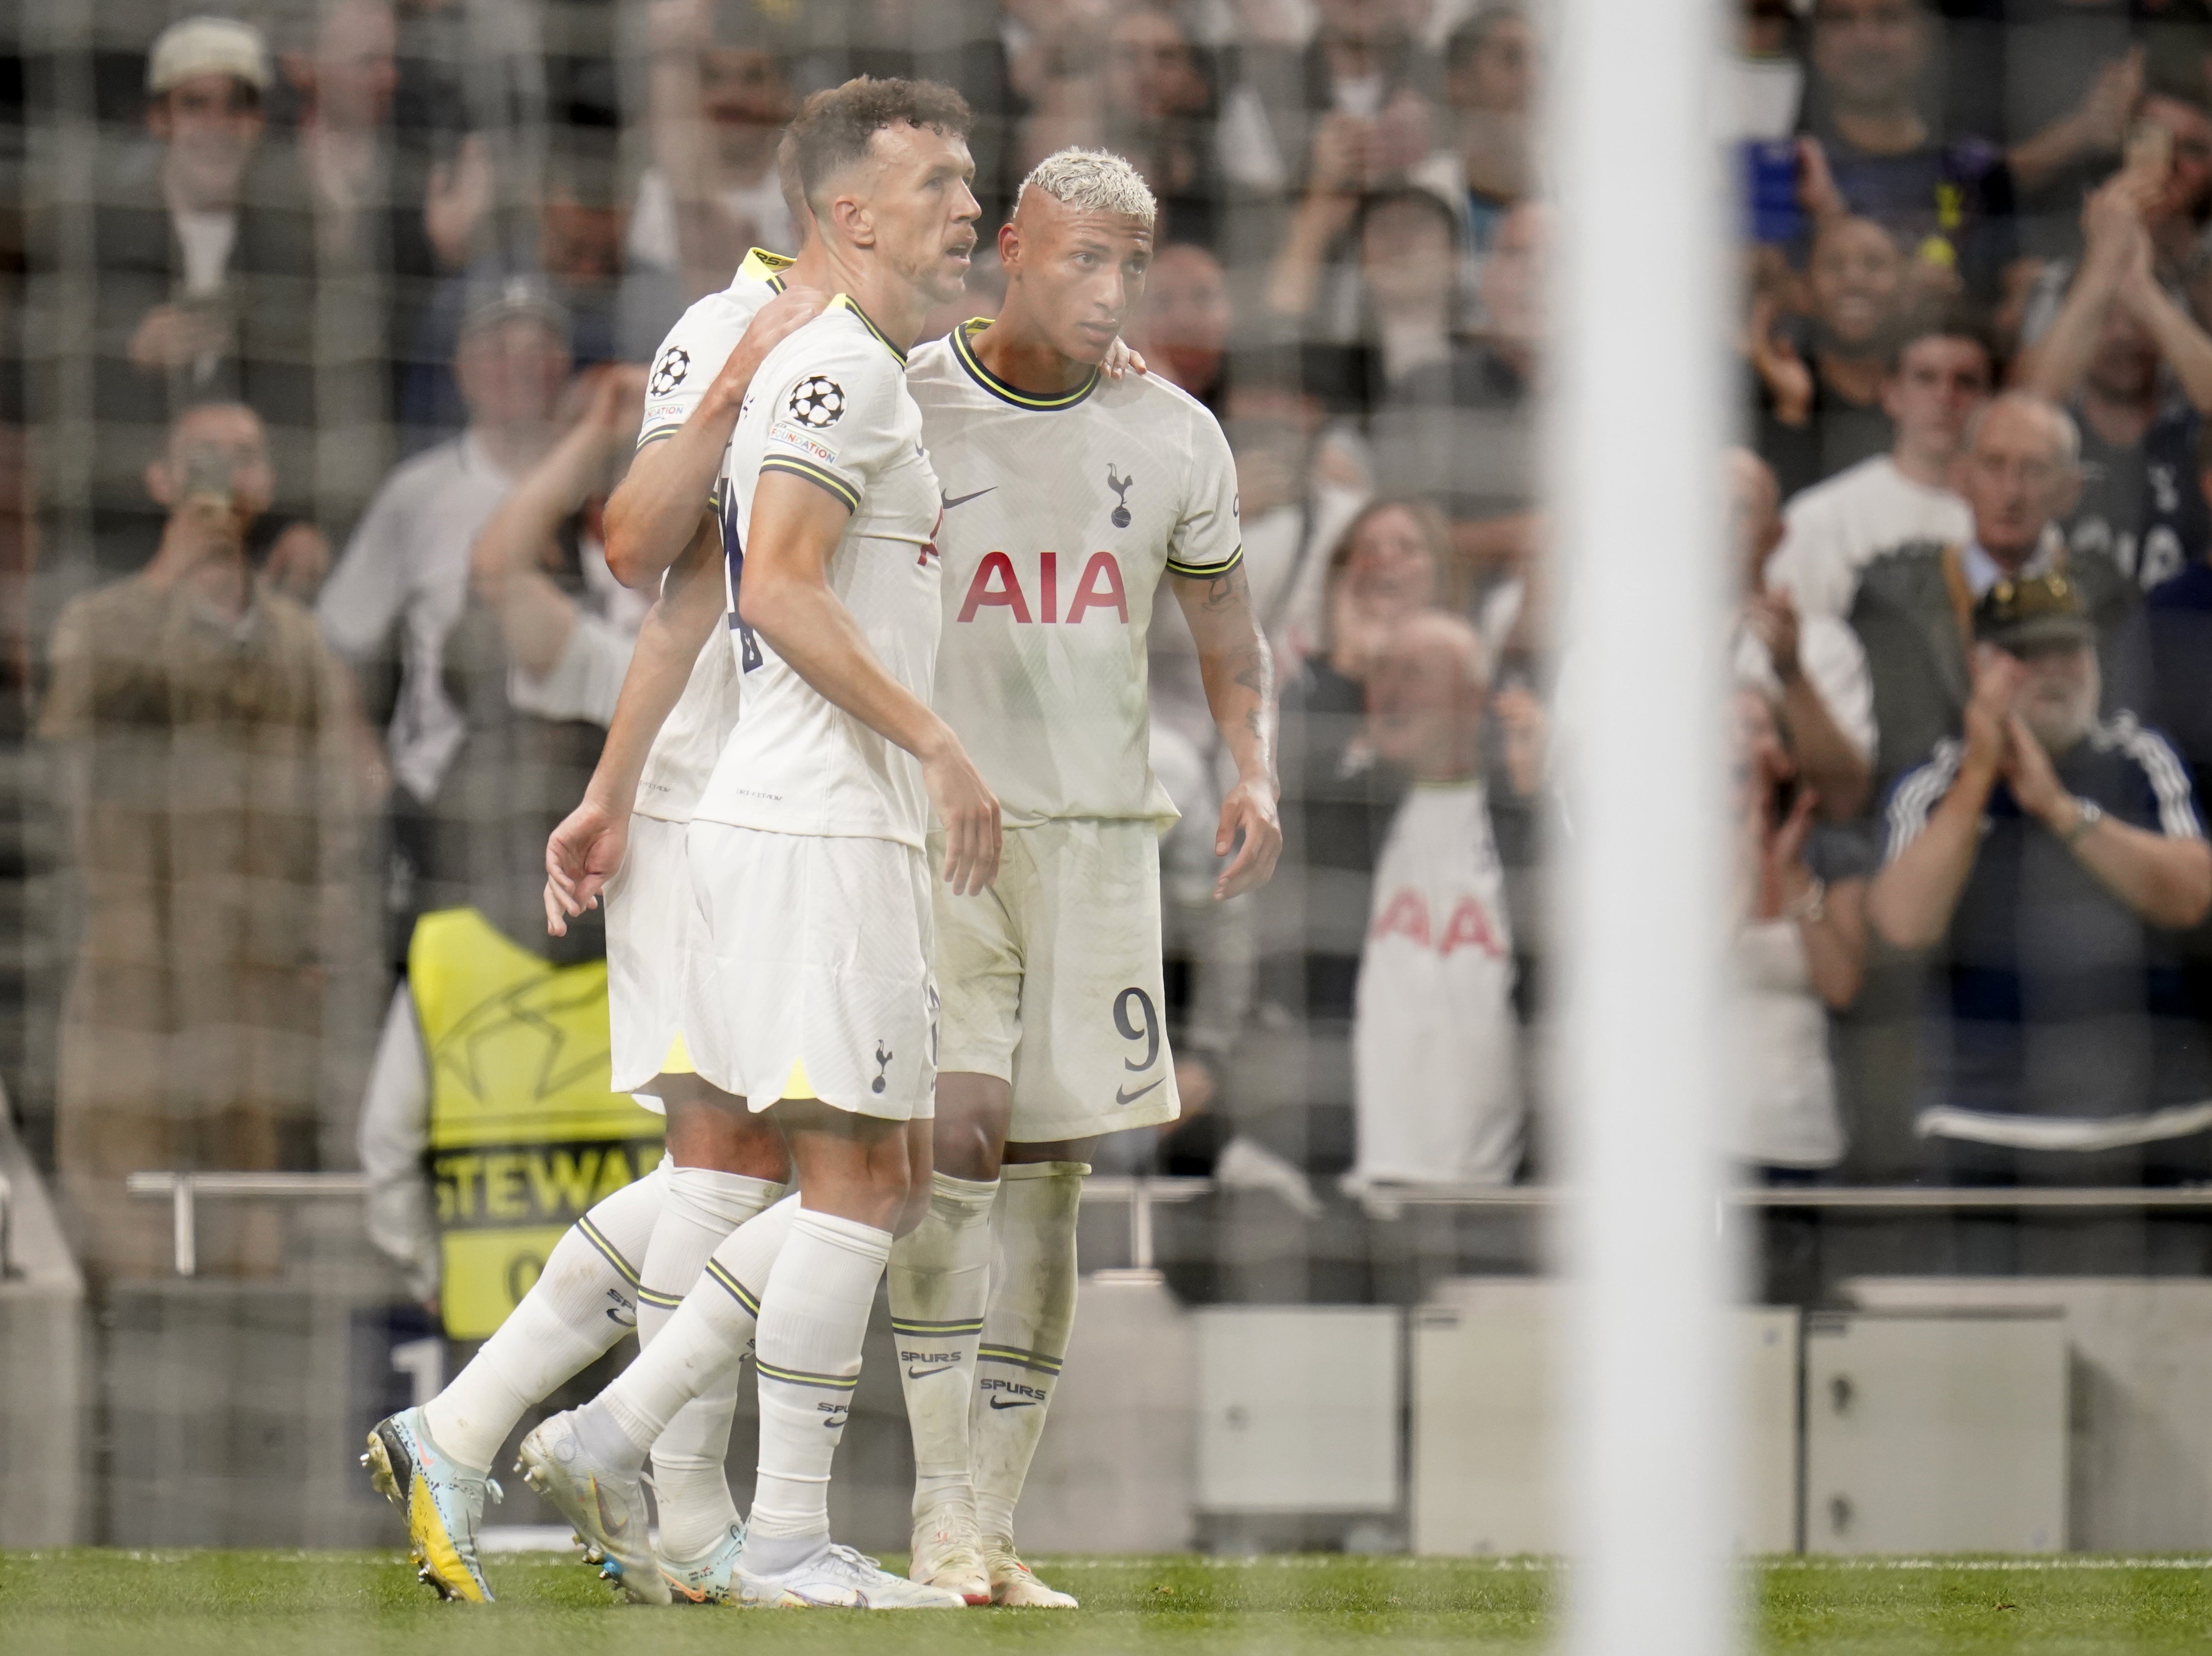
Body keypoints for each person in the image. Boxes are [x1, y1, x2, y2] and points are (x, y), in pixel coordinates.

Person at [518, 76, 994, 1613]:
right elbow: (671, 570)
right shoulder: (787, 352)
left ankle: (613, 1461)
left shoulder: (871, 355)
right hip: (779, 809)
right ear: (847, 212)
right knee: (808, 1176)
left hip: (761, 803)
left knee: (851, 1173)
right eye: (938, 187)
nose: (968, 211)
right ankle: (703, 1496)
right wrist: (935, 745)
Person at [361, 262, 829, 1601]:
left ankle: (622, 1479)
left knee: (739, 1171)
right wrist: (599, 423)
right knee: (778, 1165)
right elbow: (513, 560)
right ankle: (534, 1443)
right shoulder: (611, 622)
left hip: (772, 825)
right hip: (693, 835)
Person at [890, 147, 1279, 1607]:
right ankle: (933, 1512)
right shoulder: (906, 399)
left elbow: (1229, 634)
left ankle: (989, 1526)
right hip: (950, 832)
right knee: (962, 1139)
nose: (1112, 294)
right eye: (1083, 261)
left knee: (1052, 1181)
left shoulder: (1176, 436)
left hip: (1106, 850)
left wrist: (1256, 767)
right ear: (1011, 247)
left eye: (1133, 265)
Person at [40, 402, 359, 1285]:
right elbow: (63, 765)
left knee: (252, 1242)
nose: (224, 473)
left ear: (269, 483)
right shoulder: (98, 624)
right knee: (130, 1236)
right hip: (129, 988)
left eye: (246, 454)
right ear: (159, 480)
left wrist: (318, 947)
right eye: (204, 455)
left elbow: (336, 813)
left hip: (259, 1000)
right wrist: (171, 579)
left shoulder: (299, 644)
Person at [1869, 577, 2212, 1265]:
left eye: (2069, 648)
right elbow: (1902, 924)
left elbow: (2194, 894)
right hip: (1986, 1142)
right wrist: (1980, 775)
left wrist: (2058, 808)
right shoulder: (1932, 783)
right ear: (1980, 668)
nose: (2052, 668)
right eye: (2025, 652)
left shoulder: (2141, 758)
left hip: (2156, 1139)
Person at [317, 277, 571, 952]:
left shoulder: (614, 481)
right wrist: (378, 786)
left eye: (536, 345)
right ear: (461, 367)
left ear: (564, 361)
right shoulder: (418, 493)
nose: (517, 363)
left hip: (587, 803)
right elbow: (333, 645)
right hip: (444, 813)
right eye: (496, 346)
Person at [92, 15, 318, 577]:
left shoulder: (295, 241)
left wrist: (307, 523)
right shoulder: (94, 234)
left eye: (237, 106)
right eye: (196, 104)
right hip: (122, 541)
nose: (218, 126)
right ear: (160, 119)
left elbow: (311, 402)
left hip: (258, 543)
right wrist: (128, 357)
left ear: (259, 122)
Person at [1849, 392, 2134, 789]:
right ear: (1960, 477)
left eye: (2034, 470)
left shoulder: (2103, 598)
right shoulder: (1894, 598)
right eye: (1992, 465)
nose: (2010, 493)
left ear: (2072, 490)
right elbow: (1899, 751)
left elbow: (2119, 733)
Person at [1345, 611, 1520, 1192]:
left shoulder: (1525, 830)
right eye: (1381, 672)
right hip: (1365, 1189)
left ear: (1474, 698)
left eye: (1414, 673)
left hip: (1494, 1196)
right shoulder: (1342, 828)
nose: (1389, 690)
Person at [2016, 171, 2212, 595]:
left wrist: (2140, 289)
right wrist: (2102, 268)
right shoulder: (2049, 439)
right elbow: (2021, 410)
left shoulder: (2191, 434)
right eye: (2106, 318)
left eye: (2138, 321)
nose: (2123, 337)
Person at [1767, 316, 1991, 623]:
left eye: (1966, 382)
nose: (1945, 397)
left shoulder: (2019, 523)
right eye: (1925, 378)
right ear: (1891, 394)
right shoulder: (1822, 518)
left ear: (1988, 401)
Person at [1732, 448, 1875, 821]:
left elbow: (1844, 800)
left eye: (1739, 510)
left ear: (1775, 537)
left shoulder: (1823, 645)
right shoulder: (1621, 638)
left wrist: (1791, 672)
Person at [1748, 214, 1910, 498]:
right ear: (1805, 288)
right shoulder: (1767, 393)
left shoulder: (1936, 387)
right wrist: (1791, 411)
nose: (1854, 280)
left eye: (1874, 264)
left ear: (1906, 285)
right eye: (1834, 266)